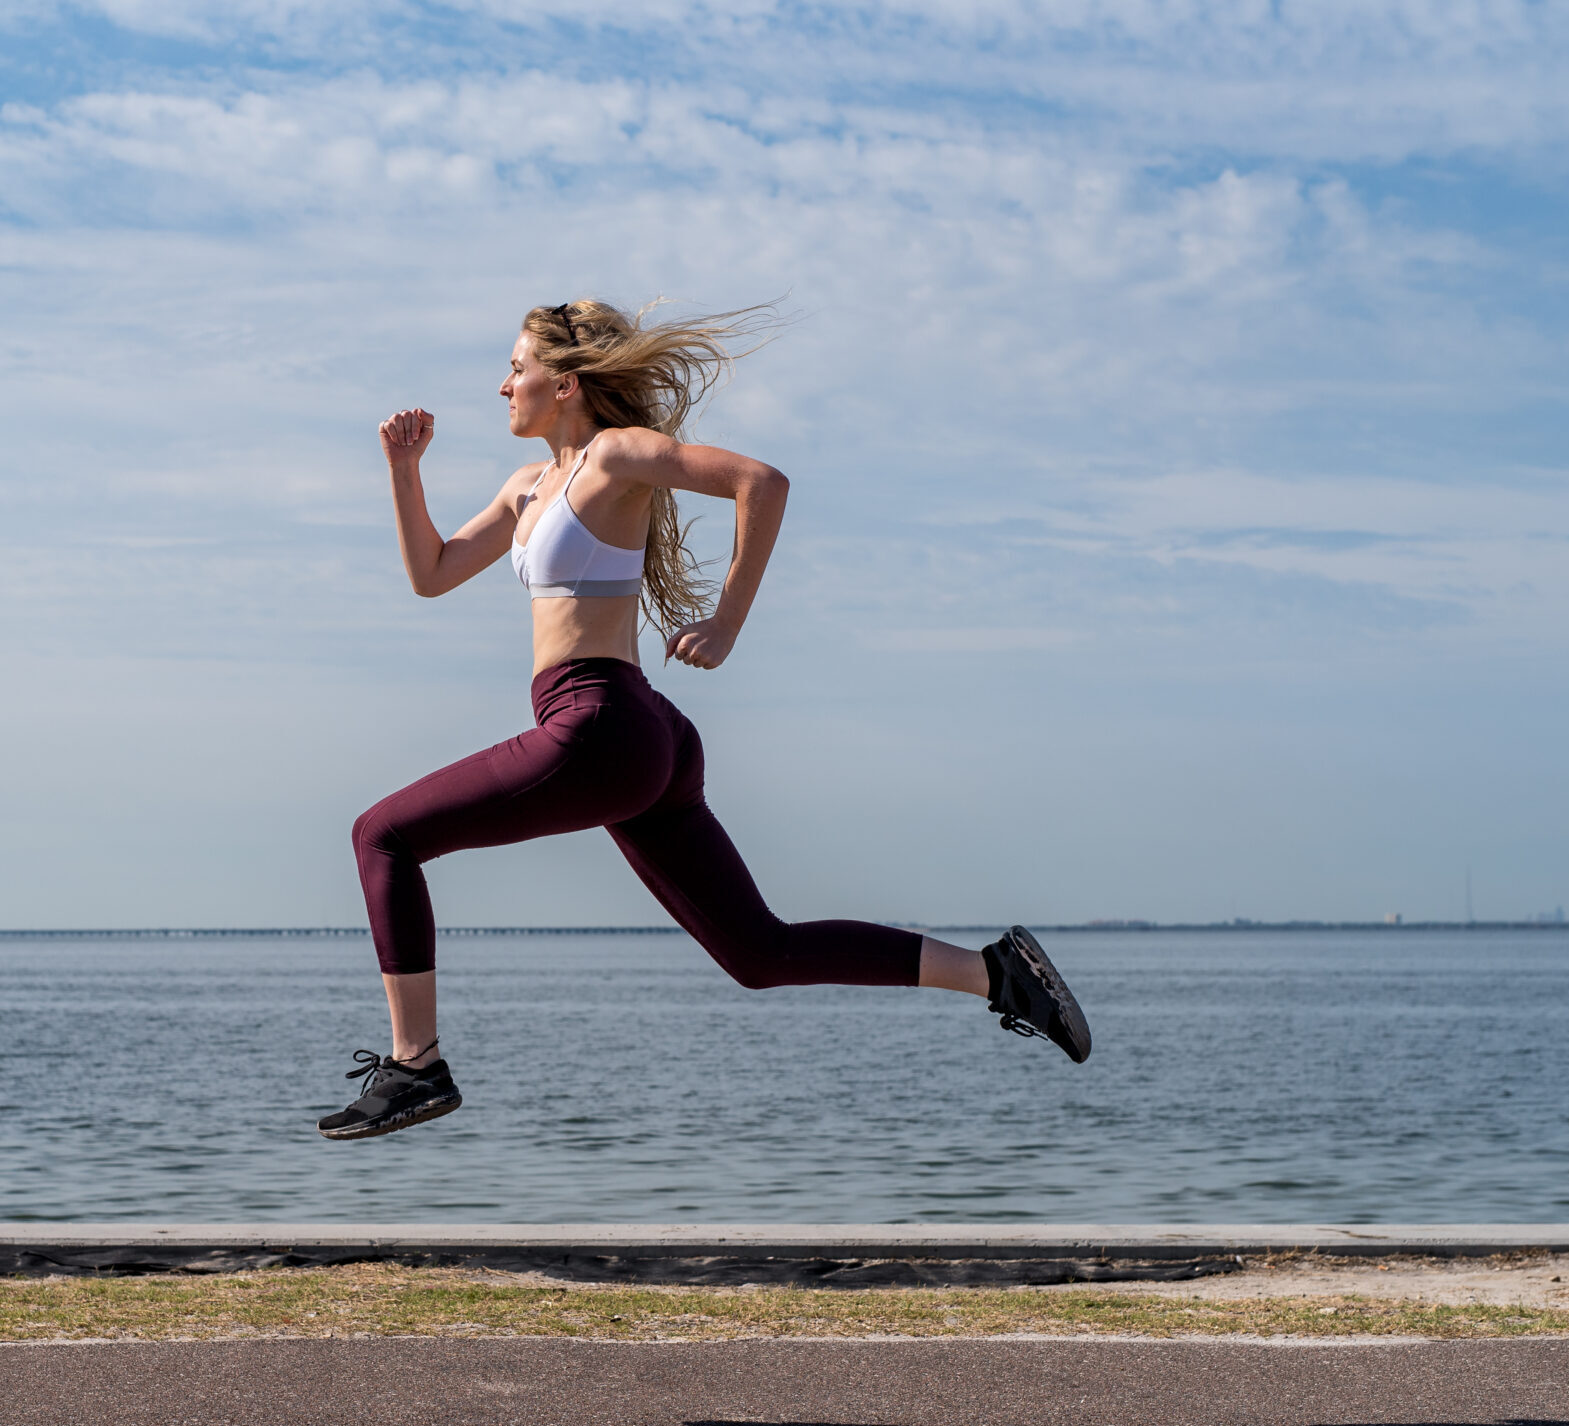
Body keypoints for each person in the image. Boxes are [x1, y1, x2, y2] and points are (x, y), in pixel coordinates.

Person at [318, 299, 1089, 1140]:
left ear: (566, 383)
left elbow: (761, 482)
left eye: (516, 368)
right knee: (761, 953)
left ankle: (415, 1065)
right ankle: (995, 972)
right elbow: (430, 574)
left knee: (381, 835)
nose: (503, 384)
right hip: (636, 735)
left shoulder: (614, 457)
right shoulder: (527, 488)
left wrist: (727, 620)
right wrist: (404, 469)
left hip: (600, 724)